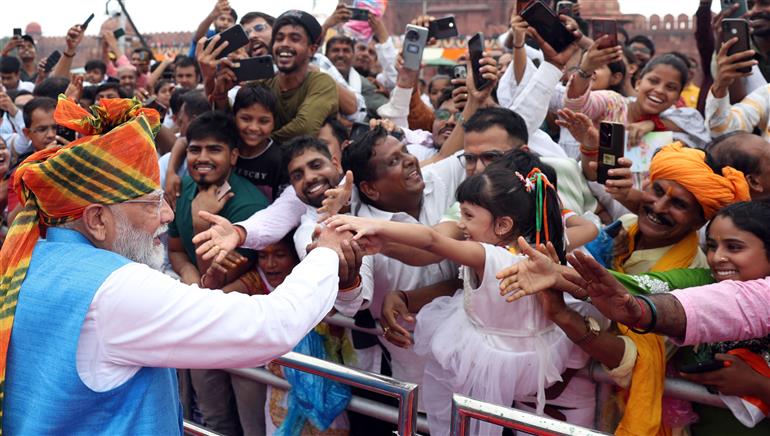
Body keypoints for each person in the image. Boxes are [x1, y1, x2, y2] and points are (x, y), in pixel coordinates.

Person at [0, 96, 355, 434]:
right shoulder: (114, 290)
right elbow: (273, 325)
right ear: (97, 220)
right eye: (153, 203)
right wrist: (325, 250)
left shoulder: (31, 260)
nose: (168, 214)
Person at [325, 167, 586, 436]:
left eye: (469, 216)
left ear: (503, 225)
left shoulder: (486, 255)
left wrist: (376, 226)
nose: (461, 223)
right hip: (526, 349)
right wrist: (382, 243)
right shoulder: (533, 251)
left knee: (472, 425)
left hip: (494, 357)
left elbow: (431, 240)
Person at [503, 201, 770, 434]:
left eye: (734, 247)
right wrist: (560, 274)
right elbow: (641, 287)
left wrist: (758, 385)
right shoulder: (701, 280)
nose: (718, 257)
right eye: (711, 246)